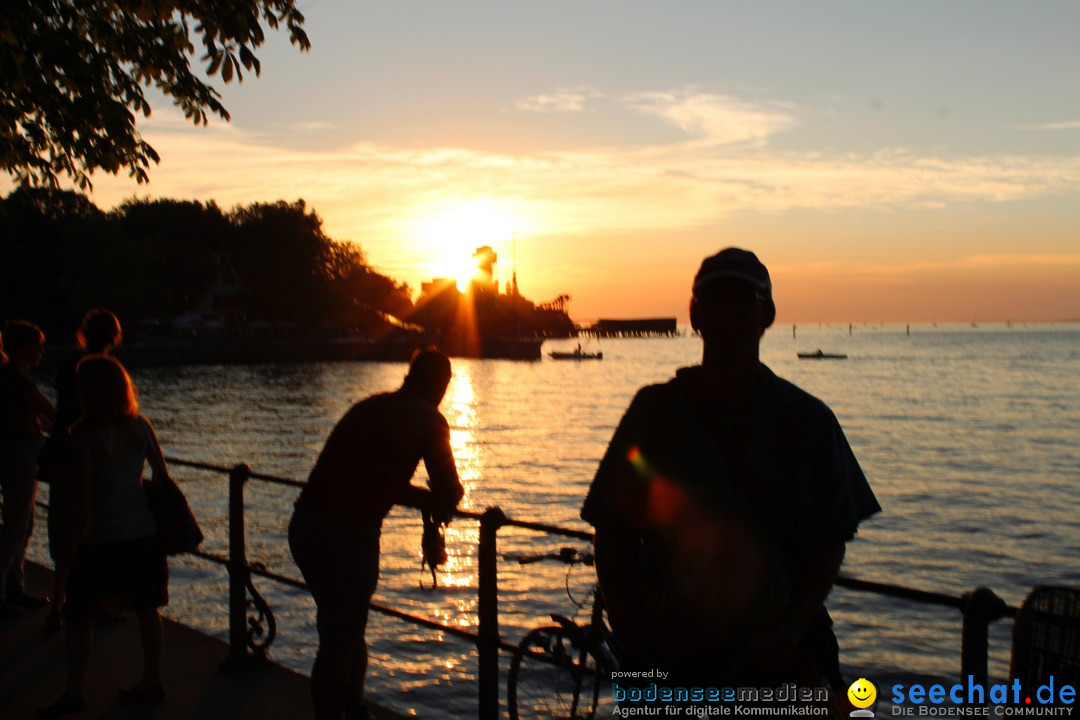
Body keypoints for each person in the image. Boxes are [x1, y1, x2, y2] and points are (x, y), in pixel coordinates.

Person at [581, 248, 880, 697]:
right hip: (665, 659)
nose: (728, 312)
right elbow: (613, 532)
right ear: (695, 314)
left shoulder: (808, 421)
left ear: (768, 314)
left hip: (774, 662)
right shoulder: (654, 413)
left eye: (743, 299)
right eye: (715, 299)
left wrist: (790, 632)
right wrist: (633, 635)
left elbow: (830, 540)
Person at [289, 347, 464, 720]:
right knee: (339, 638)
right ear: (442, 384)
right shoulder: (429, 420)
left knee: (347, 626)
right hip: (348, 534)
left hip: (306, 525)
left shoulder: (372, 407)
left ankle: (355, 707)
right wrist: (436, 501)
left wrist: (421, 499)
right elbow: (450, 490)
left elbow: (377, 480)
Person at [41, 356, 171, 717]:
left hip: (100, 536)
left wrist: (69, 541)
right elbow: (161, 478)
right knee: (148, 610)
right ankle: (151, 679)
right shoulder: (142, 427)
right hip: (143, 533)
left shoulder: (83, 434)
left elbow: (83, 493)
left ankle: (74, 691)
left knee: (80, 616)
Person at [43, 309, 123, 629]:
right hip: (94, 459)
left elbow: (63, 413)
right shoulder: (107, 371)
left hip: (61, 455)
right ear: (114, 338)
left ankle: (58, 604)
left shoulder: (67, 366)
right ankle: (96, 604)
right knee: (95, 532)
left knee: (64, 529)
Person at [0, 320, 57, 613]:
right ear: (24, 349)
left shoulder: (6, 378)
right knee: (17, 523)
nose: (41, 352)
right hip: (20, 453)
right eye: (38, 345)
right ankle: (7, 592)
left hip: (15, 451)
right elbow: (50, 414)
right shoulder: (19, 381)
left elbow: (40, 418)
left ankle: (13, 587)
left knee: (20, 521)